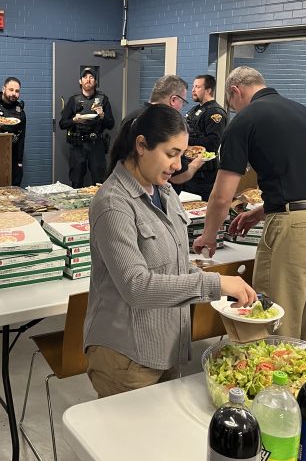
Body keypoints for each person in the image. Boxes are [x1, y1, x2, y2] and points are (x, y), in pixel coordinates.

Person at [84, 104, 256, 398]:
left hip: (167, 348)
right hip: (127, 356)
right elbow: (136, 286)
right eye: (171, 153)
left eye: (181, 155)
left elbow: (175, 263)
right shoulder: (114, 203)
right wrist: (215, 283)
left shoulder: (163, 192)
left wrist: (220, 292)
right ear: (141, 145)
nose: (178, 165)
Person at [193, 66, 306, 341]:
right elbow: (305, 182)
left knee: (275, 317)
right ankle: (296, 377)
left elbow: (221, 195)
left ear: (235, 92)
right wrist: (260, 213)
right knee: (302, 320)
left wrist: (208, 236)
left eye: (232, 104)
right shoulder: (305, 114)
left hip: (300, 229)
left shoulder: (244, 120)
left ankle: (272, 381)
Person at [122, 75, 207, 188]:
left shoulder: (129, 117)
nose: (177, 166)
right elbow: (177, 176)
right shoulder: (165, 125)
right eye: (171, 154)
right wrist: (196, 164)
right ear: (173, 100)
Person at [59, 67, 115, 188]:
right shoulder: (73, 100)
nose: (88, 80)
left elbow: (111, 125)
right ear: (80, 81)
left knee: (100, 181)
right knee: (76, 180)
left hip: (96, 145)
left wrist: (102, 115)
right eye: (85, 77)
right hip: (78, 145)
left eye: (91, 77)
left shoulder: (103, 99)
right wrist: (74, 120)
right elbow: (62, 124)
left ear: (95, 82)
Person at [181, 74, 227, 200]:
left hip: (204, 175)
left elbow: (213, 143)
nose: (193, 90)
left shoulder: (215, 113)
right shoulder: (194, 110)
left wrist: (185, 141)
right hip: (189, 169)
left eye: (197, 87)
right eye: (193, 86)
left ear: (209, 90)